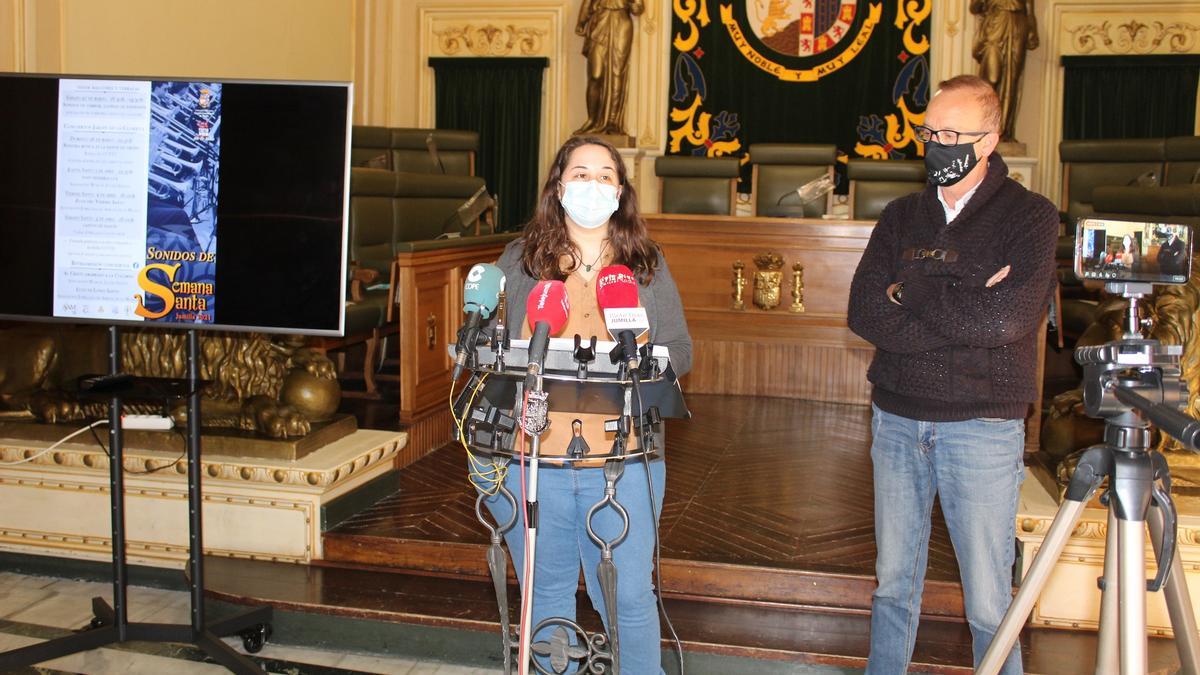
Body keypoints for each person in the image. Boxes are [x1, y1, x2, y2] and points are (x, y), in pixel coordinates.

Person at [847, 75, 1058, 674]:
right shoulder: (901, 215)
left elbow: (1008, 321)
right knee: (892, 584)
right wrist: (963, 300)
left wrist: (908, 291)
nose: (935, 143)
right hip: (895, 418)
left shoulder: (1031, 217)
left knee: (990, 599)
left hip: (983, 427)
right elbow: (864, 310)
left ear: (988, 140)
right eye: (928, 131)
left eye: (951, 134)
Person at [478, 135, 692, 673]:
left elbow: (681, 351)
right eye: (580, 173)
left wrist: (644, 363)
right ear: (558, 185)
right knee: (546, 594)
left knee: (628, 598)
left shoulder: (645, 264)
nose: (592, 185)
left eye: (605, 175)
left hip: (625, 456)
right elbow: (495, 353)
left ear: (620, 191)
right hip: (537, 456)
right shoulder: (519, 261)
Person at [970, 0, 1039, 141]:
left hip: (1018, 24)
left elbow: (1029, 9)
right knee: (991, 78)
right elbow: (974, 7)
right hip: (994, 23)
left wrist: (1033, 30)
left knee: (1011, 79)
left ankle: (1003, 131)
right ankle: (984, 126)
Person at [574, 0, 644, 136]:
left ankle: (613, 123)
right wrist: (581, 22)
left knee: (617, 73)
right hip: (600, 21)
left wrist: (632, 3)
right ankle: (592, 120)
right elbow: (587, 3)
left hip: (622, 23)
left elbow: (638, 9)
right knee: (595, 75)